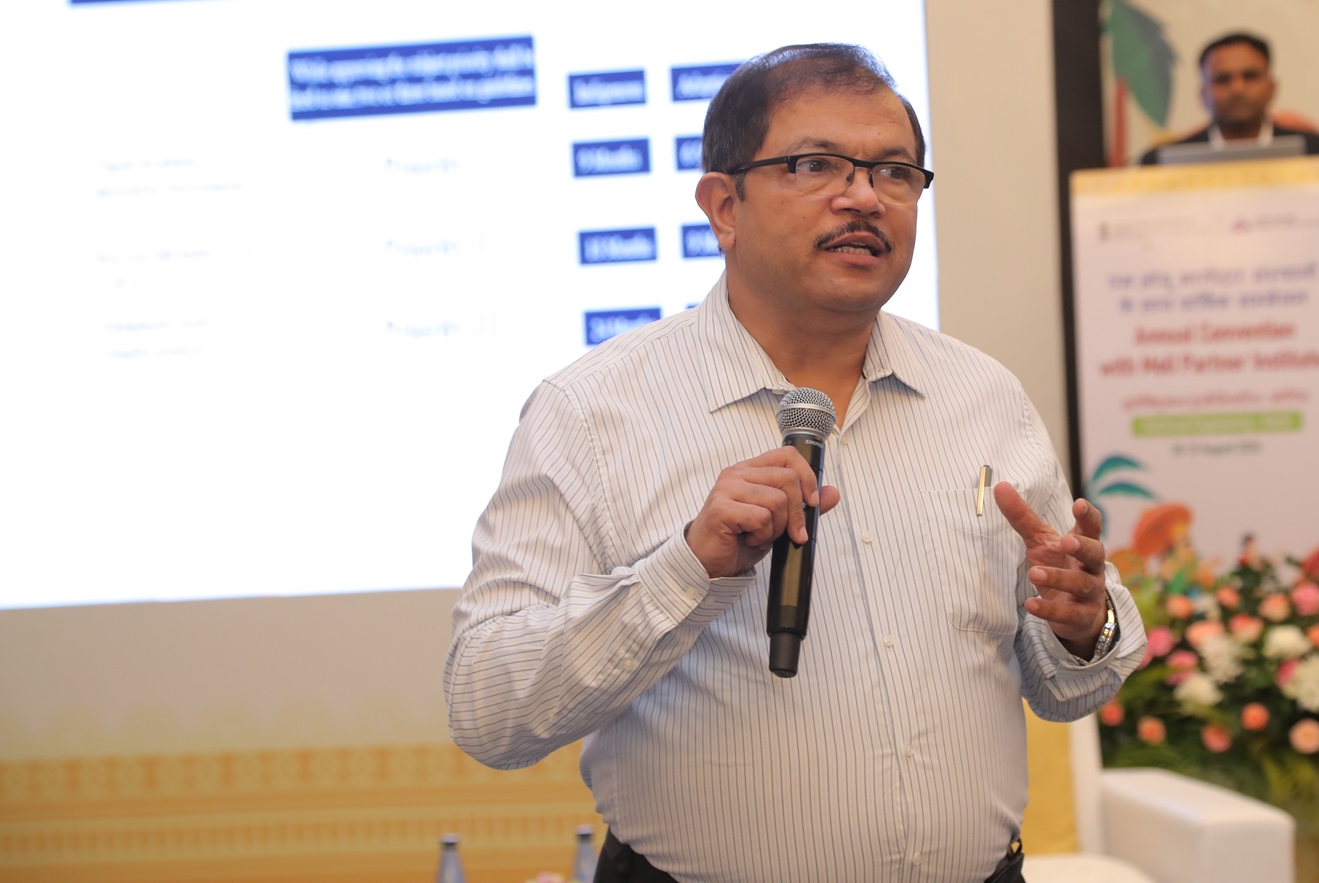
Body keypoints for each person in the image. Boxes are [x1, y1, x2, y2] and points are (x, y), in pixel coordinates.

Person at [446, 43, 1146, 883]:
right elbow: (489, 710)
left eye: (894, 172)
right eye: (815, 165)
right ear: (723, 206)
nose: (864, 197)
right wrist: (687, 568)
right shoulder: (592, 412)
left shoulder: (983, 396)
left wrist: (1080, 625)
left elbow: (1071, 689)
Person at [1140, 31, 1319, 372]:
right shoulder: (1162, 163)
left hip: (1301, 345)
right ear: (1202, 92)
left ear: (1272, 86)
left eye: (1250, 76)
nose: (1237, 88)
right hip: (1199, 348)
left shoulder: (1317, 154)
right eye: (1222, 79)